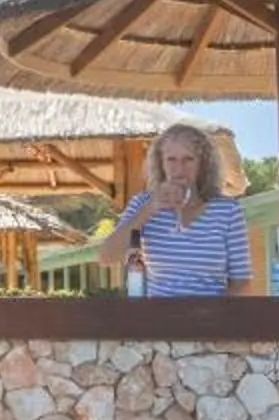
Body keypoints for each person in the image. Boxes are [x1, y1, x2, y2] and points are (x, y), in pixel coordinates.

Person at [97, 123, 252, 297]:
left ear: (203, 165)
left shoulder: (227, 210)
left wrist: (213, 312)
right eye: (171, 159)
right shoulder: (143, 203)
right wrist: (150, 209)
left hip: (210, 311)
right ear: (160, 164)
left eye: (189, 159)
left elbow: (242, 282)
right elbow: (106, 256)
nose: (179, 169)